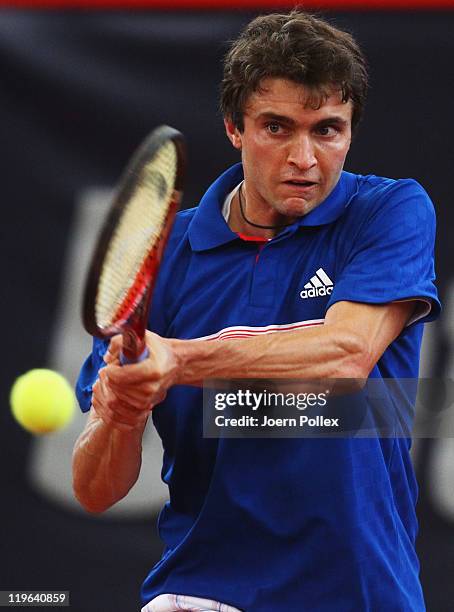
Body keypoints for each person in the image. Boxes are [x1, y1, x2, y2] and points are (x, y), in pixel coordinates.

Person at [73, 10, 440, 612]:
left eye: (327, 130)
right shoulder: (163, 258)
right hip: (201, 591)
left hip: (359, 592)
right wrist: (120, 408)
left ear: (350, 131)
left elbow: (346, 354)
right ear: (234, 128)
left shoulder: (390, 210)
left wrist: (177, 361)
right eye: (277, 127)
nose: (305, 157)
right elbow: (96, 490)